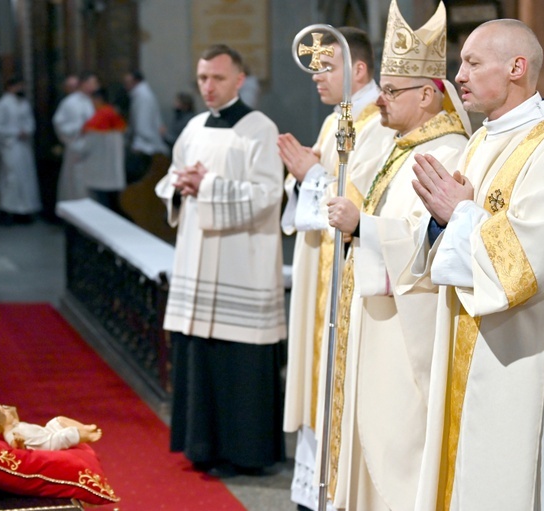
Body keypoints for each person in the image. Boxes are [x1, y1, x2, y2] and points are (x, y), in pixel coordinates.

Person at [408, 18, 544, 510]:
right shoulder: (481, 140)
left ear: (516, 67)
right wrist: (437, 224)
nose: (459, 76)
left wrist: (460, 214)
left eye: (471, 62)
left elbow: (533, 266)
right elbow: (449, 235)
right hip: (469, 351)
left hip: (523, 357)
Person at [322, 2, 470, 509]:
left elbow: (430, 247)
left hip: (407, 331)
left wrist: (362, 225)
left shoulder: (445, 152)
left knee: (399, 448)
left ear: (428, 95)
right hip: (377, 320)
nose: (380, 100)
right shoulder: (400, 145)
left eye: (392, 91)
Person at [155, 44, 286, 477]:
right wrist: (180, 185)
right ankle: (202, 446)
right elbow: (170, 180)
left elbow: (270, 196)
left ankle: (245, 452)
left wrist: (207, 186)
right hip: (197, 260)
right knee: (201, 357)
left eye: (217, 78)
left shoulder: (259, 129)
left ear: (239, 80)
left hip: (240, 264)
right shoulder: (192, 128)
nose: (208, 87)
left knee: (238, 361)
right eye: (202, 79)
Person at [278, 26, 391, 511]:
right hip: (319, 272)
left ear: (358, 69)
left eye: (325, 67)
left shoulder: (377, 124)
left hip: (350, 278)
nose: (315, 78)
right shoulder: (338, 119)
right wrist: (305, 177)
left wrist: (311, 176)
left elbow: (360, 205)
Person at [0, 76, 41, 225]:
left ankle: (24, 211)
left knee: (26, 178)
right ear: (10, 87)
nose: (21, 89)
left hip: (24, 147)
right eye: (18, 86)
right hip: (10, 146)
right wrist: (14, 132)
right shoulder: (2, 105)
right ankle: (8, 210)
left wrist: (27, 130)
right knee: (11, 179)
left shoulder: (24, 104)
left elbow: (30, 122)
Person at [76, 88, 126, 212]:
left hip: (99, 171)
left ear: (98, 99)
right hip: (113, 170)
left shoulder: (97, 119)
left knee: (102, 206)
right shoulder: (115, 115)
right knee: (114, 204)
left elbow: (87, 146)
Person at [53, 71, 100, 203]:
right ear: (84, 84)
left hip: (93, 150)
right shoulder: (70, 102)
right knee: (76, 185)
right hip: (77, 149)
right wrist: (80, 128)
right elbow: (60, 125)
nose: (96, 86)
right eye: (93, 83)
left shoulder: (93, 101)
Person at [0, 401, 102, 451]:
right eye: (3, 412)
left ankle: (84, 428)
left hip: (46, 432)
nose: (7, 411)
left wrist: (6, 409)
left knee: (58, 420)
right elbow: (16, 446)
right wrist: (19, 442)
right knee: (68, 433)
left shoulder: (13, 424)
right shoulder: (10, 434)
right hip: (49, 443)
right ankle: (88, 436)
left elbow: (14, 413)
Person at [124, 70, 167, 184]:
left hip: (145, 147)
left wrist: (138, 142)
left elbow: (142, 124)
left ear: (136, 81)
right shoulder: (143, 94)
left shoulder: (142, 97)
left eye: (128, 82)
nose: (126, 86)